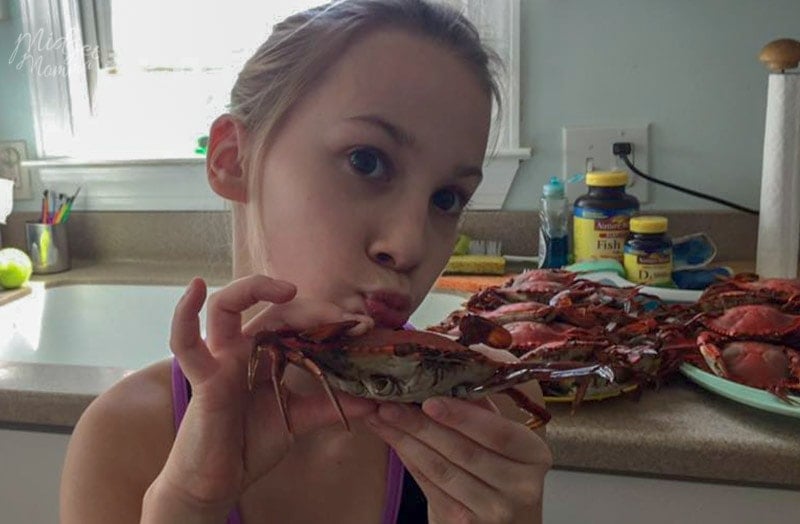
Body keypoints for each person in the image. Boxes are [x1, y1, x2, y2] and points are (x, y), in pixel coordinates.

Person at [60, 1, 553, 522]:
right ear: (234, 160)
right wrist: (185, 506)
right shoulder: (125, 435)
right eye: (367, 161)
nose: (409, 246)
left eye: (447, 199)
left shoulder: (490, 410)